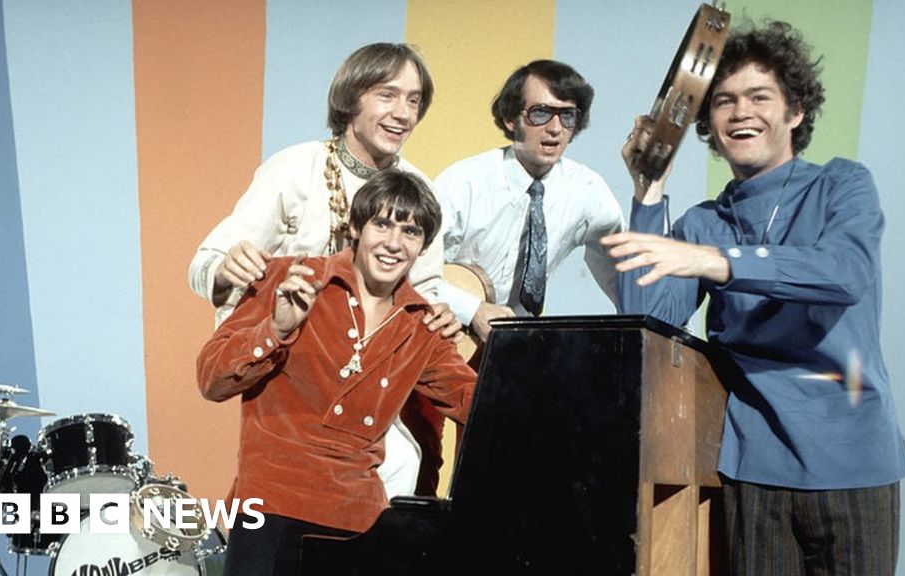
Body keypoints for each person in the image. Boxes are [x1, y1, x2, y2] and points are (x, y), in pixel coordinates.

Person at [602, 21, 905, 575]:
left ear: (795, 111)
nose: (741, 112)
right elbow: (646, 324)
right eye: (724, 101)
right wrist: (648, 193)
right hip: (753, 467)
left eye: (759, 97)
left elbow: (845, 273)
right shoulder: (702, 223)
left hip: (854, 459)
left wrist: (719, 263)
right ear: (708, 124)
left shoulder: (841, 184)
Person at [188, 43, 455, 497]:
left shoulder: (418, 189)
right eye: (388, 95)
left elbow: (427, 288)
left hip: (368, 371)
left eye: (414, 101)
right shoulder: (294, 170)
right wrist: (226, 267)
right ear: (351, 98)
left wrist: (441, 312)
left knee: (403, 464)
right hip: (294, 371)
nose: (403, 113)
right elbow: (204, 263)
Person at [197, 170, 475, 575]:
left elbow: (485, 407)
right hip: (271, 504)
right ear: (356, 227)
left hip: (356, 519)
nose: (394, 243)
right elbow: (211, 379)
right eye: (383, 224)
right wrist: (276, 330)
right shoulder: (291, 278)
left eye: (411, 232)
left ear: (423, 246)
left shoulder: (423, 326)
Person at [435, 60, 624, 341]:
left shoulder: (587, 191)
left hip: (516, 344)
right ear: (511, 119)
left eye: (567, 115)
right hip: (444, 334)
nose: (555, 128)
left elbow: (625, 283)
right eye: (541, 113)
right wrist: (473, 310)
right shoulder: (464, 182)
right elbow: (409, 272)